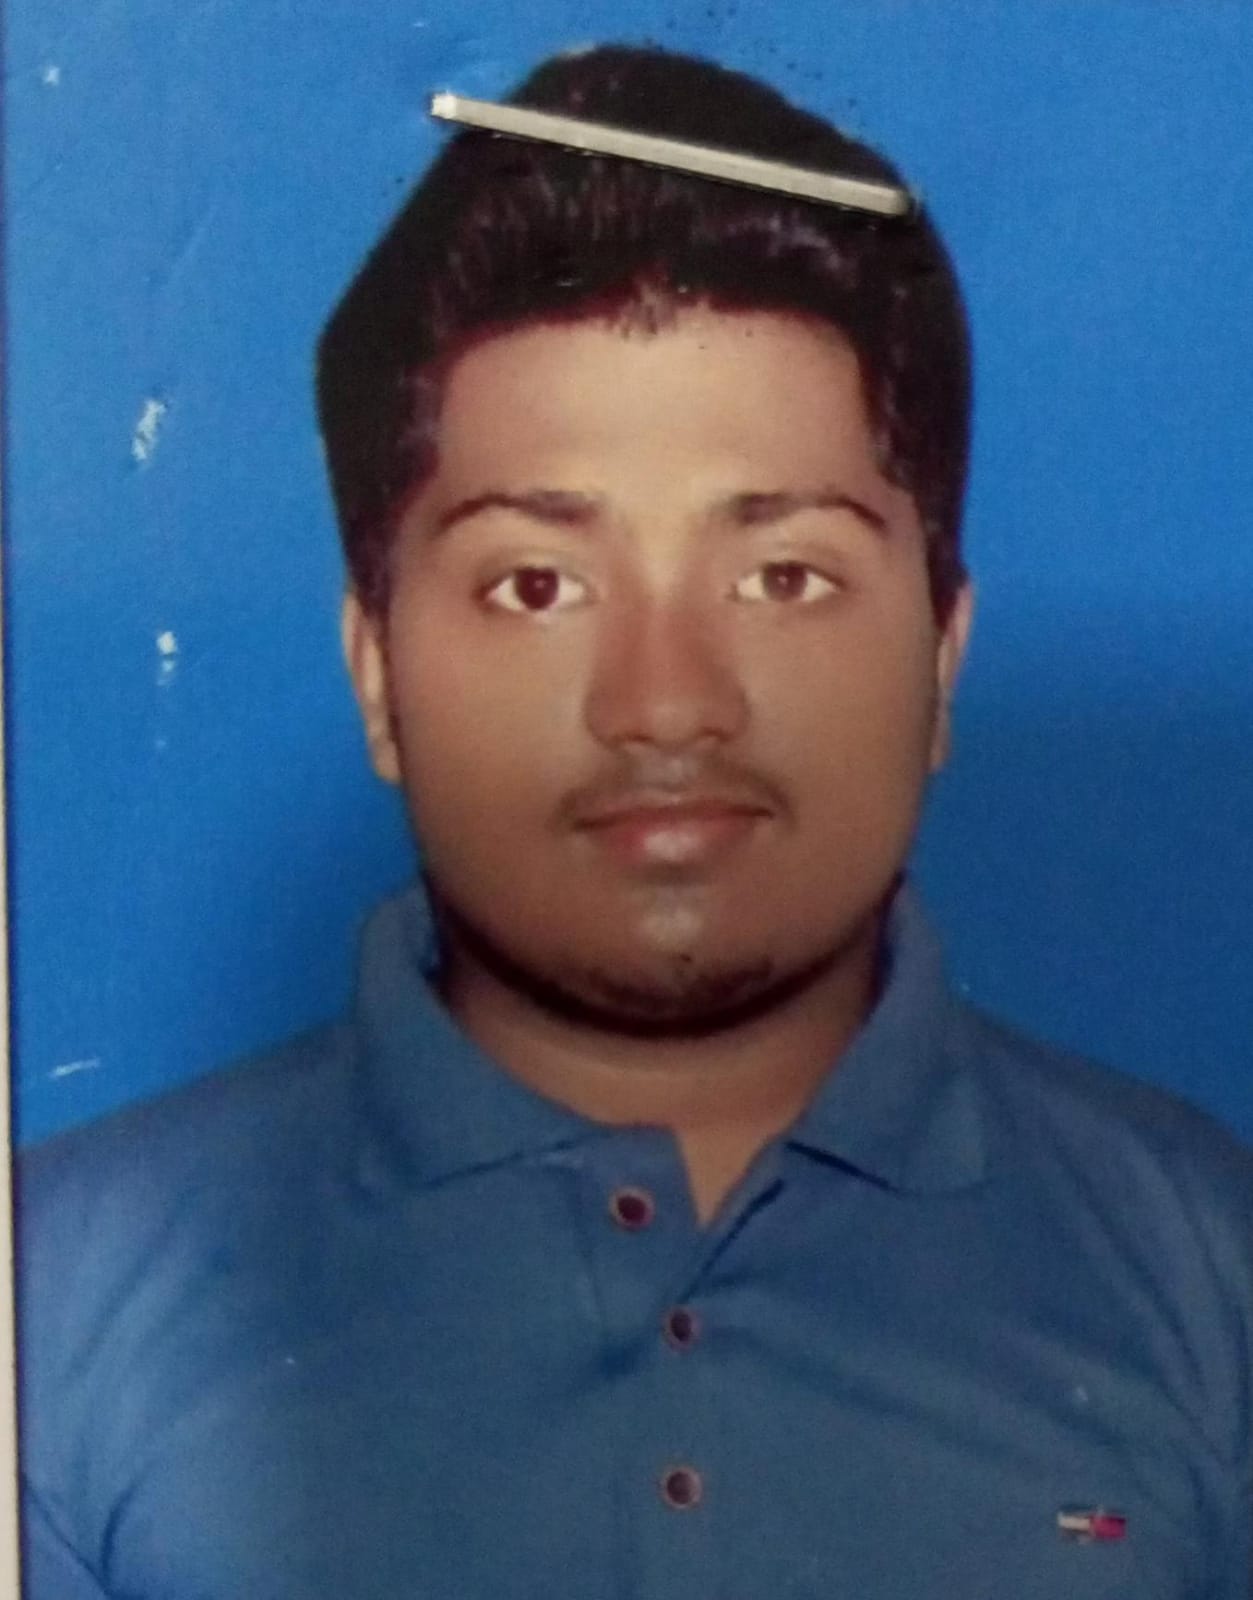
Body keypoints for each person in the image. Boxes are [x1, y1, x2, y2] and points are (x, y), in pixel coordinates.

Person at [16, 42, 1253, 1600]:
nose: (665, 705)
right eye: (538, 585)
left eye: (782, 577)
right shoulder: (50, 1300)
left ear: (940, 658)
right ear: (377, 670)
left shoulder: (1208, 1267)